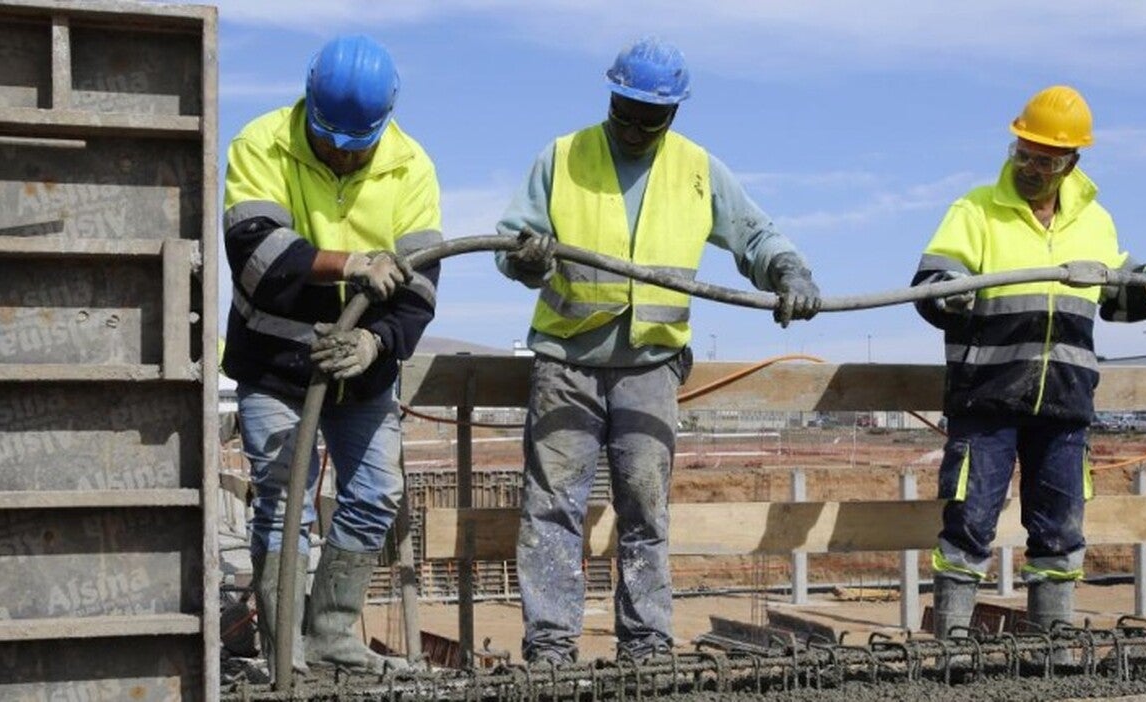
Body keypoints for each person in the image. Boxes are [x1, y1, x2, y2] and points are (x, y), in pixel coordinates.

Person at [495, 36, 822, 664]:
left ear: (674, 113)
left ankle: (646, 645)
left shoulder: (697, 169)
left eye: (654, 116)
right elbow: (513, 240)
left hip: (649, 367)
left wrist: (788, 271)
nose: (639, 127)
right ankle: (550, 648)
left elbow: (755, 233)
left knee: (644, 509)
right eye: (629, 112)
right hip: (568, 363)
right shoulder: (564, 157)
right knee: (552, 508)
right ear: (611, 96)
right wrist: (524, 257)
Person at [911, 85, 1146, 639]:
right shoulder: (976, 210)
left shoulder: (1095, 222)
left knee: (1060, 533)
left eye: (1046, 160)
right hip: (986, 397)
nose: (1031, 167)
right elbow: (929, 285)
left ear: (1072, 163)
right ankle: (951, 648)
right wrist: (948, 293)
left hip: (1063, 404)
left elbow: (1117, 297)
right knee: (969, 525)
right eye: (1025, 153)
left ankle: (1053, 651)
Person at [221, 34, 441, 675]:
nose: (341, 157)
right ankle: (283, 648)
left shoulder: (411, 167)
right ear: (308, 106)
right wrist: (350, 264)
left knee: (375, 494)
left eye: (357, 147)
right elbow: (257, 257)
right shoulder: (262, 142)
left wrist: (377, 341)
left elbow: (422, 287)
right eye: (329, 141)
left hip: (361, 373)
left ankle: (328, 637)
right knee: (282, 497)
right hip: (275, 369)